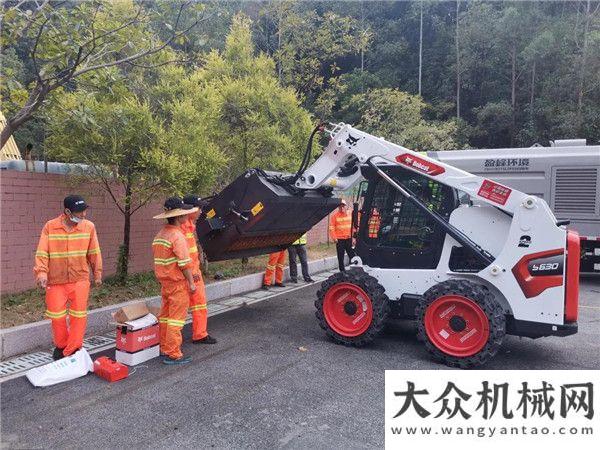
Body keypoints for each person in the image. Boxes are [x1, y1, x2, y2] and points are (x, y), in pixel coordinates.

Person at [34, 195, 102, 360]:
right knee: (56, 317)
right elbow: (42, 252)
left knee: (79, 316)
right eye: (80, 212)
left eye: (85, 210)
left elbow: (94, 252)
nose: (84, 215)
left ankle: (74, 348)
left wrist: (97, 273)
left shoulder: (88, 227)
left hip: (80, 279)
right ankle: (62, 346)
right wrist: (41, 273)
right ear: (67, 211)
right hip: (56, 280)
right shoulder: (50, 227)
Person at [152, 197, 198, 365]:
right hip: (178, 284)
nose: (187, 215)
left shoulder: (160, 234)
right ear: (179, 216)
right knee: (176, 319)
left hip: (165, 283)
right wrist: (192, 283)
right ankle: (174, 353)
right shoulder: (177, 236)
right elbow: (184, 263)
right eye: (184, 212)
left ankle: (164, 348)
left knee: (165, 317)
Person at [182, 195, 216, 345]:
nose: (201, 211)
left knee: (199, 305)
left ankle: (200, 334)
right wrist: (191, 277)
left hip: (192, 273)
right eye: (199, 207)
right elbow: (182, 257)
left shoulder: (188, 226)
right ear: (190, 209)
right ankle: (172, 345)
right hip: (188, 275)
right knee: (181, 310)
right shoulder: (182, 229)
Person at [329, 199, 356, 272]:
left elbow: (354, 226)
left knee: (352, 255)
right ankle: (342, 271)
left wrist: (354, 238)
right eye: (340, 206)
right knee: (340, 257)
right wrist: (334, 238)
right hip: (339, 240)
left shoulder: (350, 214)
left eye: (343, 206)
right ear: (338, 207)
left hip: (348, 239)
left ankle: (355, 269)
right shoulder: (334, 216)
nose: (342, 208)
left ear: (346, 206)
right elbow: (331, 228)